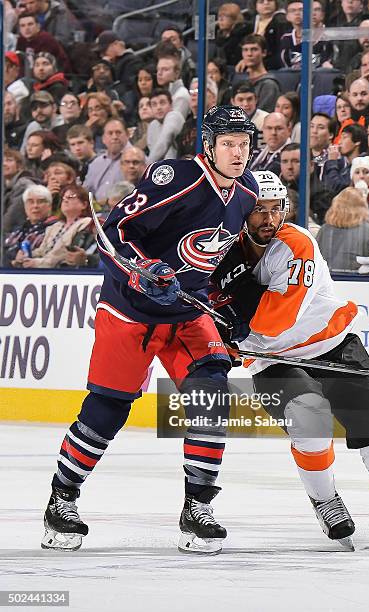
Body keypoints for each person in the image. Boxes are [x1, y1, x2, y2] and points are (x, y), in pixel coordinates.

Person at [41, 105, 258, 554]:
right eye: (229, 144)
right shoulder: (176, 178)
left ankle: (197, 507)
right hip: (131, 310)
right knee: (108, 407)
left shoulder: (246, 194)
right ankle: (62, 498)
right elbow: (112, 232)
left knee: (211, 397)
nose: (239, 153)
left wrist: (227, 305)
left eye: (245, 144)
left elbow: (215, 262)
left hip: (186, 313)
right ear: (209, 145)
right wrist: (140, 270)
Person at [210, 171, 369, 548]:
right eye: (258, 211)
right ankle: (325, 499)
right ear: (240, 212)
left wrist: (231, 322)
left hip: (334, 346)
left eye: (275, 209)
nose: (268, 219)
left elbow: (275, 319)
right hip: (275, 361)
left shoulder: (297, 244)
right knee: (309, 416)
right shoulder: (218, 249)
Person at [18, 183, 93, 269]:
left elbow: (63, 254)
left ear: (84, 204)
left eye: (70, 197)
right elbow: (42, 250)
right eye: (63, 198)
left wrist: (38, 263)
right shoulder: (55, 226)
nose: (65, 200)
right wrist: (25, 255)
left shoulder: (87, 224)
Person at [4, 184, 57, 267]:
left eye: (40, 201)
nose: (35, 206)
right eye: (30, 202)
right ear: (25, 206)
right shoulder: (18, 229)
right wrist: (14, 260)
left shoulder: (54, 228)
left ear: (49, 206)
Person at [84, 118, 131, 201]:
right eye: (110, 133)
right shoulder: (96, 163)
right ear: (103, 139)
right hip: (96, 210)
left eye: (118, 132)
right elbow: (86, 191)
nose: (114, 137)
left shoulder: (136, 159)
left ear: (127, 135)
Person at [236, 34, 280, 113]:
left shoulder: (269, 84)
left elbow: (261, 115)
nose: (249, 54)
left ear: (264, 53)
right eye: (245, 50)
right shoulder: (243, 82)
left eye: (254, 49)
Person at [146, 88, 184, 163]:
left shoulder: (174, 116)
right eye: (154, 104)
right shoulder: (152, 126)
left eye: (162, 103)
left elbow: (164, 142)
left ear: (171, 105)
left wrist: (146, 167)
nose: (158, 107)